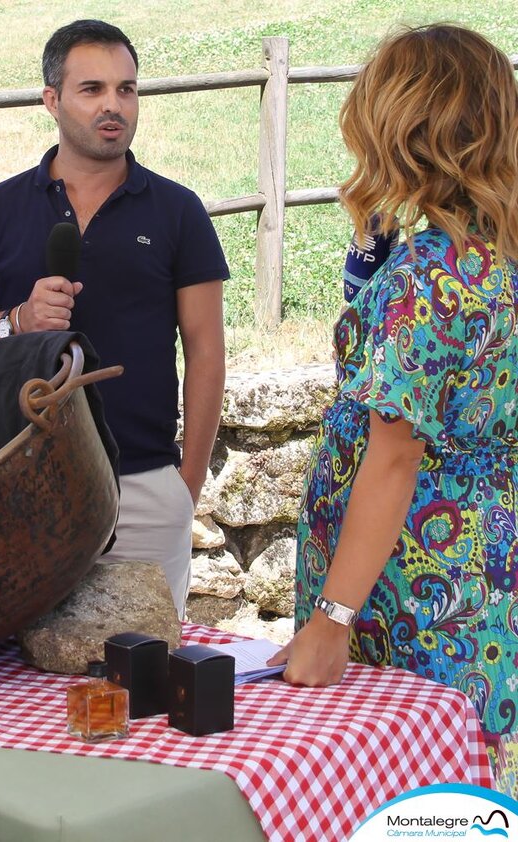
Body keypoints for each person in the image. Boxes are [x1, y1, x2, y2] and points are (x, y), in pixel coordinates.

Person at [269, 24, 518, 794]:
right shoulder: (494, 253)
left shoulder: (427, 276)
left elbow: (396, 455)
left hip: (408, 592)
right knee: (466, 791)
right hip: (479, 571)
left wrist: (332, 621)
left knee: (397, 797)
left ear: (403, 128)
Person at [0, 19, 228, 618]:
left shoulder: (178, 211)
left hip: (145, 486)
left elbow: (206, 350)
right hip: (19, 485)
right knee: (14, 685)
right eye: (92, 89)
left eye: (126, 89)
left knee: (146, 689)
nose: (113, 105)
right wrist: (17, 320)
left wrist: (187, 485)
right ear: (52, 100)